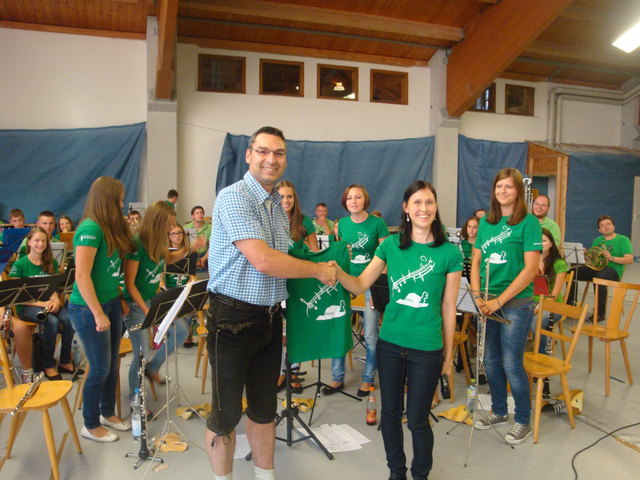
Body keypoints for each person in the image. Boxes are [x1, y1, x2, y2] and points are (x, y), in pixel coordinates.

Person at [205, 126, 337, 480]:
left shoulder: (278, 207)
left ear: (285, 160)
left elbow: (287, 258)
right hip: (231, 320)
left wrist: (330, 263)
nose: (271, 159)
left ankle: (266, 476)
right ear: (249, 155)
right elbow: (263, 260)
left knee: (265, 410)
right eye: (263, 151)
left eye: (278, 153)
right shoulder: (234, 198)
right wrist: (318, 271)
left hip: (268, 319)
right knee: (225, 416)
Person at [336, 180, 461, 480]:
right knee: (390, 416)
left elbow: (448, 309)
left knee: (417, 419)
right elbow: (360, 284)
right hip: (390, 344)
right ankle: (397, 473)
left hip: (427, 348)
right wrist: (335, 272)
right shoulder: (390, 245)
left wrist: (447, 358)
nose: (424, 208)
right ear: (405, 208)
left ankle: (421, 474)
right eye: (417, 202)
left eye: (429, 202)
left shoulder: (449, 253)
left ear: (435, 208)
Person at [471, 167, 541, 445]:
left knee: (511, 363)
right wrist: (478, 296)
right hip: (486, 300)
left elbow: (531, 269)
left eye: (509, 187)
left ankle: (522, 419)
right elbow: (476, 261)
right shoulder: (487, 223)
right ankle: (499, 411)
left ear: (518, 192)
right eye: (499, 186)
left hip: (516, 302)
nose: (503, 191)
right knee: (490, 360)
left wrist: (499, 300)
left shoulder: (529, 222)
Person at [68, 176, 136, 443]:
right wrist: (97, 313)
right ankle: (90, 423)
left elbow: (109, 272)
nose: (121, 203)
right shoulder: (90, 229)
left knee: (112, 363)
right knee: (98, 368)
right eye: (118, 198)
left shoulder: (108, 229)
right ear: (108, 199)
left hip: (110, 303)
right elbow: (82, 277)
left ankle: (108, 412)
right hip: (88, 308)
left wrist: (117, 297)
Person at [122, 201, 204, 397]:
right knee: (141, 355)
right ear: (157, 222)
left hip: (152, 298)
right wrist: (146, 311)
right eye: (168, 224)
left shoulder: (157, 241)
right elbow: (129, 284)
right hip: (136, 303)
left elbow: (166, 259)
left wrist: (189, 250)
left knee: (182, 330)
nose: (171, 228)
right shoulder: (137, 243)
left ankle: (153, 368)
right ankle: (137, 402)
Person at [326, 184, 389, 397]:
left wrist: (380, 290)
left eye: (358, 197)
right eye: (350, 198)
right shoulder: (342, 224)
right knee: (339, 331)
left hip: (370, 284)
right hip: (346, 283)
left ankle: (368, 379)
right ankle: (337, 378)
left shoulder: (378, 223)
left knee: (371, 335)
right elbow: (342, 254)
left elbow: (386, 257)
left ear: (365, 200)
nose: (353, 201)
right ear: (345, 201)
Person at [9, 227, 76, 381]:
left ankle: (65, 361)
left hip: (48, 303)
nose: (40, 244)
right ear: (29, 242)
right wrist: (42, 304)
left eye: (44, 241)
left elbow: (52, 288)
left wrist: (56, 300)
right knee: (52, 322)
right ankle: (48, 364)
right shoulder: (20, 265)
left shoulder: (50, 262)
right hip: (27, 307)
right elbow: (18, 296)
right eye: (37, 240)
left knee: (69, 320)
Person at [567, 215, 633, 321]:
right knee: (572, 272)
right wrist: (584, 253)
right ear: (599, 230)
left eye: (608, 224)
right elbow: (593, 259)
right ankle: (570, 305)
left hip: (614, 272)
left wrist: (611, 258)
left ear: (614, 226)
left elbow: (629, 259)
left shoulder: (623, 240)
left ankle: (599, 313)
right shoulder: (598, 240)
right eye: (602, 226)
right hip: (597, 269)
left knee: (600, 276)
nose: (606, 227)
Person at [530, 228, 567, 398]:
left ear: (551, 243)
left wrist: (540, 307)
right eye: (538, 240)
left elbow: (554, 295)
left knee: (540, 320)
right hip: (533, 304)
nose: (541, 243)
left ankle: (541, 367)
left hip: (553, 306)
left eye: (544, 240)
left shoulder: (559, 264)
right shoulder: (529, 261)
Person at [275, 180, 319, 252]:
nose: (286, 200)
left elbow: (316, 252)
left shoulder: (305, 221)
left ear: (294, 198)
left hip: (297, 262)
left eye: (289, 196)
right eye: (281, 197)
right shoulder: (268, 220)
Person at [183, 205, 212, 269]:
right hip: (191, 254)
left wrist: (204, 259)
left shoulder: (211, 228)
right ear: (193, 216)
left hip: (207, 255)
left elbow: (212, 246)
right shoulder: (186, 228)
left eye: (201, 213)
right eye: (197, 213)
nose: (200, 214)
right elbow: (185, 246)